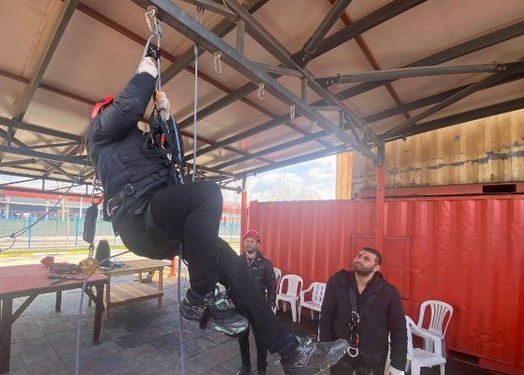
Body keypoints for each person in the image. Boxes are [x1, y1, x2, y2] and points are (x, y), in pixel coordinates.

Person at [87, 51, 348, 374]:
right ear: (104, 112)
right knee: (207, 194)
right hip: (139, 218)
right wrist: (147, 69)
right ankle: (200, 295)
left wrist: (167, 120)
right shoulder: (99, 132)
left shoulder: (138, 143)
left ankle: (289, 351)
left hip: (160, 218)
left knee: (236, 269)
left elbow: (174, 161)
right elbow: (128, 105)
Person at [319, 247, 407, 375]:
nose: (360, 260)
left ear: (376, 268)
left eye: (366, 259)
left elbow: (398, 330)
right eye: (359, 256)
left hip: (373, 357)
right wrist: (325, 348)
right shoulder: (337, 282)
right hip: (340, 354)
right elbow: (326, 317)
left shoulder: (389, 292)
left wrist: (397, 365)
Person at [236, 229, 277, 375]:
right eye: (247, 240)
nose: (249, 243)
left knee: (261, 340)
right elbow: (233, 283)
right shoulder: (238, 262)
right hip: (242, 307)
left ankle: (262, 369)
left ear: (258, 244)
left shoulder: (265, 264)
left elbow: (272, 285)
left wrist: (271, 304)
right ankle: (245, 366)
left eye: (252, 241)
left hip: (259, 309)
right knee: (242, 338)